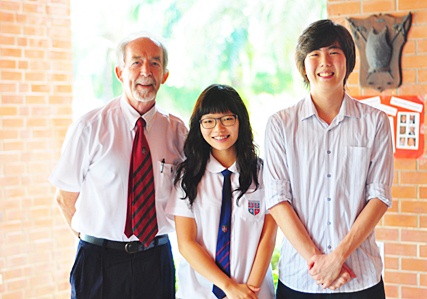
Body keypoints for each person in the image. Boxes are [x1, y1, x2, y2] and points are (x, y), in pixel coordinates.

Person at [49, 32, 187, 298]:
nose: (146, 70)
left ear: (165, 75)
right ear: (120, 72)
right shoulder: (89, 127)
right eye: (136, 62)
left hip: (155, 260)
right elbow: (64, 198)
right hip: (98, 262)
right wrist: (93, 240)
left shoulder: (177, 131)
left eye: (155, 63)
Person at [263, 19, 394, 298]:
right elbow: (277, 199)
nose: (325, 62)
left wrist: (337, 258)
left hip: (361, 277)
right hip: (300, 278)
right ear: (303, 65)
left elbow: (379, 196)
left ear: (348, 60)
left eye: (334, 52)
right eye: (315, 54)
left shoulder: (375, 122)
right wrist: (318, 262)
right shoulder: (280, 125)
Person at [166, 84, 277, 299]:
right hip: (199, 293)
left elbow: (268, 238)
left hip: (252, 294)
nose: (218, 129)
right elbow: (186, 243)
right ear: (199, 126)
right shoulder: (187, 177)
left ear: (240, 121)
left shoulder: (263, 174)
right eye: (209, 121)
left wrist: (246, 293)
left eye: (227, 119)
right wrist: (229, 288)